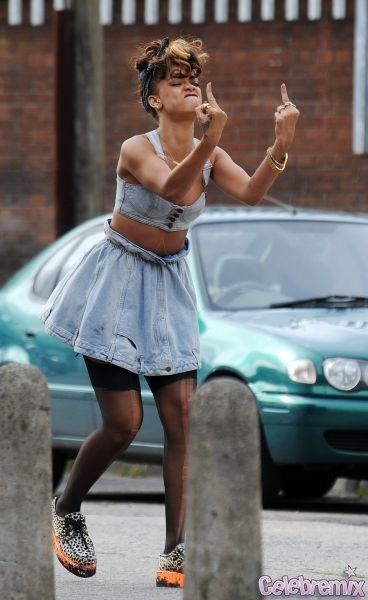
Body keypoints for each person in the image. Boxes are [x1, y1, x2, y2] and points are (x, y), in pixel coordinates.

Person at [39, 35, 299, 587]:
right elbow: (176, 191)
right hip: (115, 283)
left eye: (192, 76)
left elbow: (251, 193)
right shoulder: (138, 148)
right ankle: (67, 507)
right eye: (173, 77)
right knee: (124, 424)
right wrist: (212, 141)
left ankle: (175, 550)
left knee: (181, 418)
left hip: (169, 285)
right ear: (154, 97)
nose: (187, 83)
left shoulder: (212, 151)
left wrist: (280, 145)